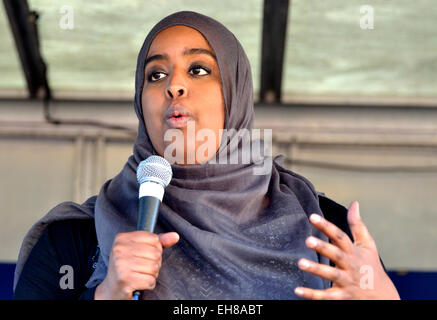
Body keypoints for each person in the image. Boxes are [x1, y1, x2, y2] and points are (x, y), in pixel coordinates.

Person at [13, 11, 399, 300]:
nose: (174, 85)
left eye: (198, 69)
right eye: (155, 75)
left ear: (235, 93)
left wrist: (382, 295)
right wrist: (108, 292)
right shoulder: (76, 241)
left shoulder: (328, 235)